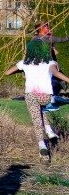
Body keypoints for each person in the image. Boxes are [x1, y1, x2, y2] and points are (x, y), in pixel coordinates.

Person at [15, 32, 66, 160]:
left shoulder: (25, 62)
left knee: (36, 118)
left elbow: (7, 72)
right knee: (39, 110)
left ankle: (42, 145)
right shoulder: (50, 62)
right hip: (46, 96)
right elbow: (57, 73)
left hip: (31, 94)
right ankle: (49, 130)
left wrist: (20, 68)